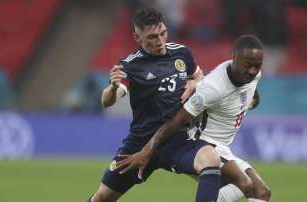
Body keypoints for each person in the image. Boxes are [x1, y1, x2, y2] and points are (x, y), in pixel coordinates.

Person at [87, 8, 221, 202]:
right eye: (152, 37)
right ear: (137, 37)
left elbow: (198, 75)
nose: (160, 41)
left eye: (163, 33)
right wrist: (112, 88)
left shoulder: (181, 53)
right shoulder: (130, 65)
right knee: (102, 198)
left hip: (176, 139)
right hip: (140, 143)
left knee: (211, 159)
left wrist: (195, 82)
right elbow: (109, 101)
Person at [116, 35, 271, 202]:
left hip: (224, 147)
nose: (253, 71)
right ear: (234, 58)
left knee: (261, 192)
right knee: (244, 184)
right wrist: (147, 150)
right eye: (248, 66)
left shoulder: (253, 75)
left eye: (257, 66)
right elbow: (177, 120)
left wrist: (247, 102)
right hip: (203, 144)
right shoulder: (213, 88)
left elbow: (250, 93)